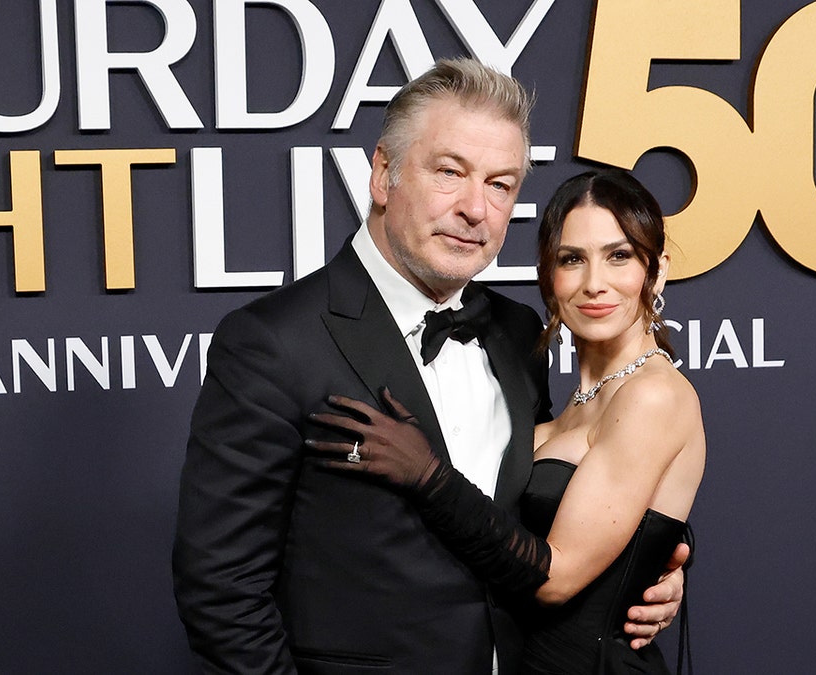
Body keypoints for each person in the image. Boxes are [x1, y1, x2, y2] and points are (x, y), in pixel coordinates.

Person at [172, 59, 688, 674]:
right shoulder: (274, 342)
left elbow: (536, 526)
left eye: (500, 185)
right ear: (384, 174)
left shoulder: (516, 331)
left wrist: (636, 581)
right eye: (450, 172)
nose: (476, 208)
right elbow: (220, 590)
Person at [307, 169, 705, 674]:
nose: (594, 283)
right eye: (571, 259)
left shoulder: (653, 396)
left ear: (658, 270)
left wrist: (428, 476)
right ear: (547, 275)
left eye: (619, 256)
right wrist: (663, 555)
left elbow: (556, 577)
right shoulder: (567, 391)